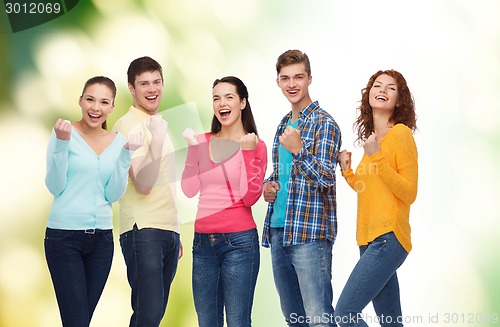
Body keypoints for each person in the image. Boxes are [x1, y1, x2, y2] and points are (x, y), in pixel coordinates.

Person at [44, 76, 142, 327]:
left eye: (103, 102)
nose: (95, 107)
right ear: (80, 101)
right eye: (90, 99)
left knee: (80, 321)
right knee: (76, 321)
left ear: (111, 107)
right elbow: (55, 186)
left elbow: (113, 195)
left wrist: (126, 156)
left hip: (102, 242)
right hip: (63, 239)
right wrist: (61, 145)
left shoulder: (119, 142)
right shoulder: (63, 131)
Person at [262, 50, 342, 327]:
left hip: (309, 233)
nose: (292, 84)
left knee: (319, 319)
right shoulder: (283, 124)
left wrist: (299, 151)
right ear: (278, 82)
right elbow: (283, 172)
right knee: (294, 320)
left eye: (298, 77)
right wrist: (268, 186)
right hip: (279, 230)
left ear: (309, 79)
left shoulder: (325, 123)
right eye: (285, 78)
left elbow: (325, 178)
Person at [181, 76, 267, 327]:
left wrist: (247, 152)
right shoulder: (201, 141)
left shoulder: (255, 145)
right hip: (203, 244)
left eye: (229, 97)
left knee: (238, 321)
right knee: (207, 322)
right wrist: (192, 150)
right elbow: (188, 189)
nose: (221, 103)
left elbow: (250, 197)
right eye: (216, 98)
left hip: (240, 244)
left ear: (242, 102)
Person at [334, 70, 418, 327]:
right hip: (369, 240)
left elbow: (409, 192)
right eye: (377, 85)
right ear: (368, 95)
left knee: (344, 314)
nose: (382, 90)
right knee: (391, 323)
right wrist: (347, 170)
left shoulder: (401, 134)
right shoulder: (372, 142)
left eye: (390, 88)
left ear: (399, 100)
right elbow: (366, 187)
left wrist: (378, 157)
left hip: (388, 238)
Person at [112, 56, 181, 327]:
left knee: (153, 315)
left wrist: (175, 230)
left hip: (166, 230)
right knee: (147, 315)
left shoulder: (158, 124)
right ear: (132, 88)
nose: (152, 89)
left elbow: (167, 183)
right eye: (144, 84)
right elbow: (143, 182)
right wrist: (158, 140)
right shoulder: (128, 126)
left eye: (157, 82)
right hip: (143, 230)